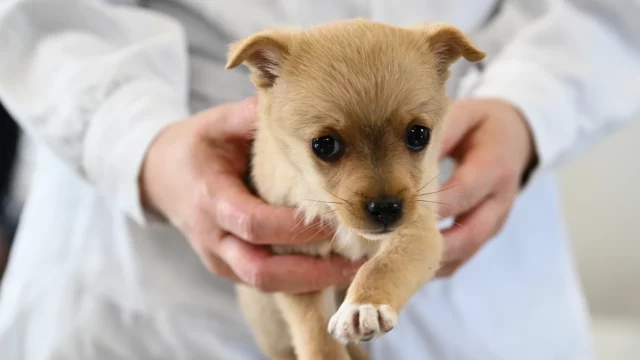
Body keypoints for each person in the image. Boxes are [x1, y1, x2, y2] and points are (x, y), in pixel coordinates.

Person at [0, 0, 638, 359]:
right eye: (329, 147)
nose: (383, 188)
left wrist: (530, 106)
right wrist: (135, 139)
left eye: (415, 136)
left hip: (482, 298)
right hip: (153, 295)